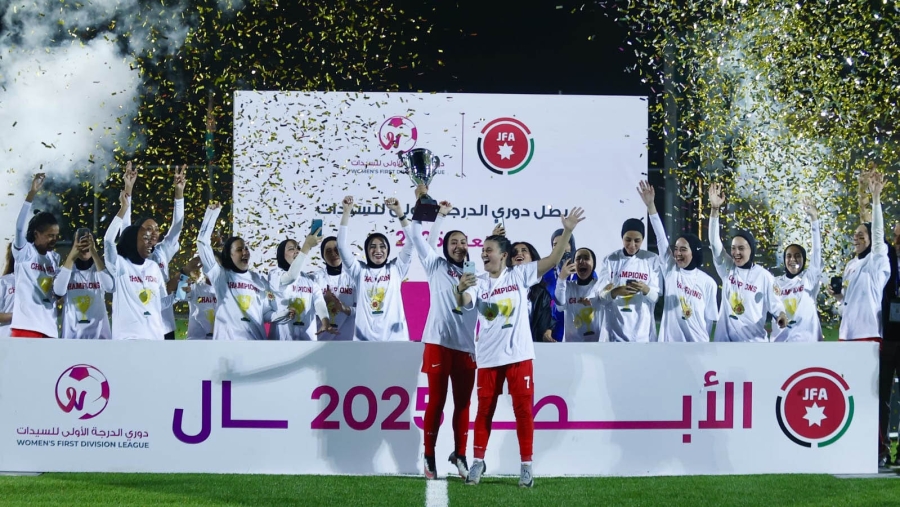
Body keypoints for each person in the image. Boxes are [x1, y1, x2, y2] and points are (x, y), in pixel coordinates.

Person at [455, 206, 585, 488]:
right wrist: (460, 290)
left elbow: (552, 259)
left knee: (523, 412)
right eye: (482, 251)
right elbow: (464, 303)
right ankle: (478, 462)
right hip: (488, 357)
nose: (483, 254)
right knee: (484, 411)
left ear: (503, 255)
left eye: (488, 250)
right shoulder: (478, 281)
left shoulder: (520, 275)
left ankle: (526, 466)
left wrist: (567, 231)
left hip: (519, 355)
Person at [404, 197, 478, 480]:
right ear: (445, 247)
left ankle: (460, 454)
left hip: (466, 347)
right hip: (437, 343)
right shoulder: (435, 265)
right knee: (436, 401)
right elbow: (416, 234)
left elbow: (472, 304)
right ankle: (429, 454)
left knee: (463, 405)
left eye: (464, 242)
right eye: (453, 242)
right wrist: (439, 215)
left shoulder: (474, 274)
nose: (459, 246)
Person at [830, 170, 891, 467]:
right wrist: (839, 298)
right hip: (847, 335)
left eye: (861, 235)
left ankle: (879, 448)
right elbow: (848, 304)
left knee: (870, 395)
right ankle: (851, 443)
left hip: (868, 336)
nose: (856, 238)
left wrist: (875, 199)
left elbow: (877, 233)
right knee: (848, 394)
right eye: (854, 235)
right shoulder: (851, 265)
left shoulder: (878, 260)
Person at [197, 202, 296, 340]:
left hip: (254, 344)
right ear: (229, 254)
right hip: (226, 345)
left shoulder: (259, 280)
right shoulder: (220, 275)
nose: (245, 252)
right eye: (239, 249)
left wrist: (282, 314)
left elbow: (266, 314)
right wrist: (211, 215)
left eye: (246, 249)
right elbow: (202, 243)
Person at [639, 181, 717, 342]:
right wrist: (651, 206)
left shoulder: (709, 283)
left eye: (683, 249)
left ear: (694, 252)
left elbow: (709, 321)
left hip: (697, 347)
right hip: (669, 347)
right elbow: (661, 238)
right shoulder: (671, 269)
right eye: (676, 249)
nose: (677, 253)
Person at [708, 183, 788, 341]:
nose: (736, 253)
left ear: (751, 250)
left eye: (741, 248)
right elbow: (714, 243)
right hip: (725, 345)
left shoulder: (764, 276)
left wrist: (781, 315)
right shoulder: (727, 268)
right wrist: (714, 209)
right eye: (733, 248)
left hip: (753, 345)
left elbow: (776, 305)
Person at [121, 162, 186, 340]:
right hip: (138, 325)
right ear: (137, 233)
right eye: (149, 229)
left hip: (164, 325)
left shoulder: (161, 251)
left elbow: (177, 228)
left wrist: (179, 192)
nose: (155, 232)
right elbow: (125, 226)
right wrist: (128, 188)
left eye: (157, 229)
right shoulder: (129, 255)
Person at [338, 196, 413, 341]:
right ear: (367, 251)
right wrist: (346, 212)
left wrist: (399, 212)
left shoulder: (396, 268)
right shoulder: (359, 271)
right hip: (364, 342)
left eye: (382, 246)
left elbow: (411, 242)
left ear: (388, 250)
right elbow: (341, 246)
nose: (378, 250)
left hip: (396, 340)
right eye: (372, 247)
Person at [104, 191, 172, 340]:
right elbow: (108, 241)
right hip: (127, 340)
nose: (150, 242)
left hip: (155, 340)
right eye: (145, 238)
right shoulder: (120, 265)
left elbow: (161, 304)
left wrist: (178, 295)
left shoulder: (154, 267)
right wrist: (123, 208)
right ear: (132, 242)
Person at [11, 173, 61, 338]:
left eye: (56, 235)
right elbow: (19, 228)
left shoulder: (54, 258)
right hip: (26, 326)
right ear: (36, 234)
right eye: (50, 235)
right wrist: (32, 193)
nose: (54, 240)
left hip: (50, 328)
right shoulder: (25, 252)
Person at [598, 217, 664, 342]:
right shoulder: (610, 260)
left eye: (637, 240)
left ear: (643, 239)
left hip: (642, 333)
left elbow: (655, 298)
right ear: (622, 238)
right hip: (614, 333)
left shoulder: (651, 259)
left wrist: (645, 289)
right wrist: (615, 292)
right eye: (627, 240)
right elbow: (601, 298)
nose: (632, 245)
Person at [770, 198, 823, 342]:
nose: (792, 259)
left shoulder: (809, 278)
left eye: (797, 256)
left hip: (808, 345)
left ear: (804, 259)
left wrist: (814, 219)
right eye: (789, 256)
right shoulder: (775, 283)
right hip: (781, 346)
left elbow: (817, 251)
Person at [53, 230, 114, 339]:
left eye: (88, 241)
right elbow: (58, 291)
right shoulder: (66, 271)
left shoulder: (99, 271)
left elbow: (109, 287)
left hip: (99, 337)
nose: (84, 244)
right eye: (80, 241)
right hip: (72, 337)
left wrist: (94, 253)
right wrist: (72, 256)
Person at [267, 233, 328, 341]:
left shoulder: (309, 280)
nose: (297, 251)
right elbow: (291, 276)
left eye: (298, 248)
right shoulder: (275, 275)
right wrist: (306, 246)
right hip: (281, 342)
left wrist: (325, 320)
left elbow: (319, 301)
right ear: (281, 254)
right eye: (291, 249)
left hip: (307, 342)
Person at [554, 247, 607, 342]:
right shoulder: (568, 286)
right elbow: (559, 307)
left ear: (593, 264)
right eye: (578, 259)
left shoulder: (600, 285)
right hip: (571, 346)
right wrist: (561, 278)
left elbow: (605, 296)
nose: (582, 261)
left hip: (595, 346)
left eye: (586, 258)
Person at [510, 242, 556, 342]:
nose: (519, 253)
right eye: (514, 252)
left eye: (524, 250)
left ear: (533, 259)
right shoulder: (502, 287)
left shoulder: (542, 294)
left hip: (530, 345)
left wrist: (546, 334)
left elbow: (544, 323)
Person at [314, 236, 357, 341]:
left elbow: (363, 311)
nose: (333, 253)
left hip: (348, 342)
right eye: (328, 251)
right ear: (323, 256)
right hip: (321, 341)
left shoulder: (354, 277)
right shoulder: (315, 278)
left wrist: (345, 309)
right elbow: (307, 310)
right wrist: (323, 300)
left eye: (337, 249)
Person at [542, 229, 576, 342]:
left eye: (563, 243)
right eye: (555, 244)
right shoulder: (545, 273)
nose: (558, 247)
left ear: (571, 246)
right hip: (551, 330)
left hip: (578, 330)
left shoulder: (583, 271)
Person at [0, 245, 15, 338]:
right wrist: (17, 316)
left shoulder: (37, 282)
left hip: (32, 339)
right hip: (6, 338)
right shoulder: (4, 281)